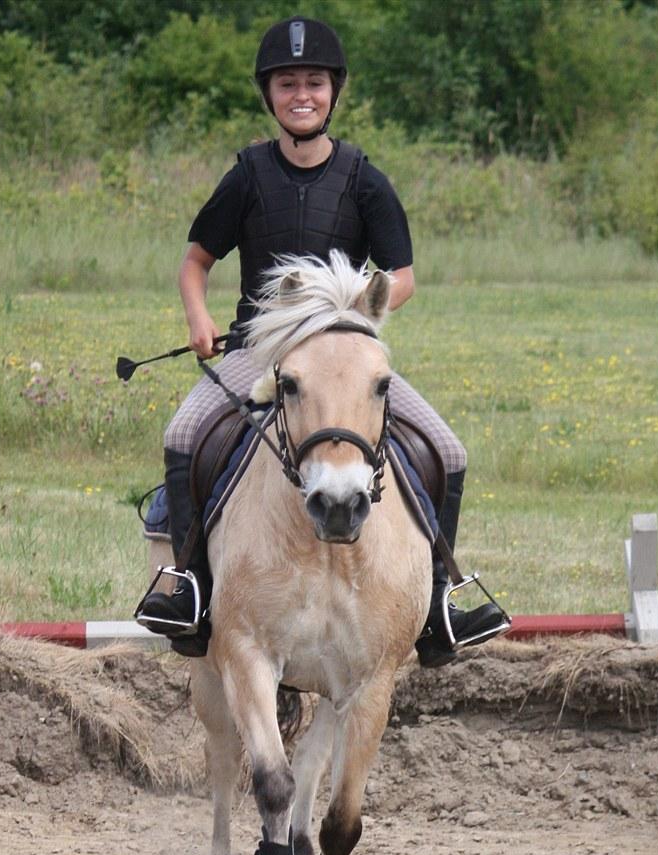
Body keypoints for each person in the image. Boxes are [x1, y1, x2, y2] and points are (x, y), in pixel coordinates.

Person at [139, 16, 505, 661]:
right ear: (269, 95)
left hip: (343, 354)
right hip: (260, 352)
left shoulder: (365, 178)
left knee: (448, 450)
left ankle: (442, 599)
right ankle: (189, 587)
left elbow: (404, 276)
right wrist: (199, 320)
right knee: (180, 435)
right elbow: (196, 261)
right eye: (287, 83)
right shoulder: (248, 175)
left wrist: (361, 311)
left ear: (333, 91)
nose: (300, 94)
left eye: (313, 82)